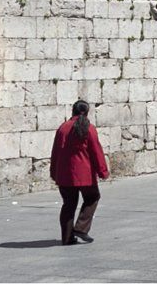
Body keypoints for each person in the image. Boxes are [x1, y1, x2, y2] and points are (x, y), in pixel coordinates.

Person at [50, 100, 109, 246]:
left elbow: (55, 152)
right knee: (93, 197)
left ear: (73, 111)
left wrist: (53, 171)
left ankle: (67, 237)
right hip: (85, 174)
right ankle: (81, 228)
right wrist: (103, 171)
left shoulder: (63, 128)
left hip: (65, 173)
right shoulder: (89, 128)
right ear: (87, 112)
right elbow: (96, 151)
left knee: (68, 204)